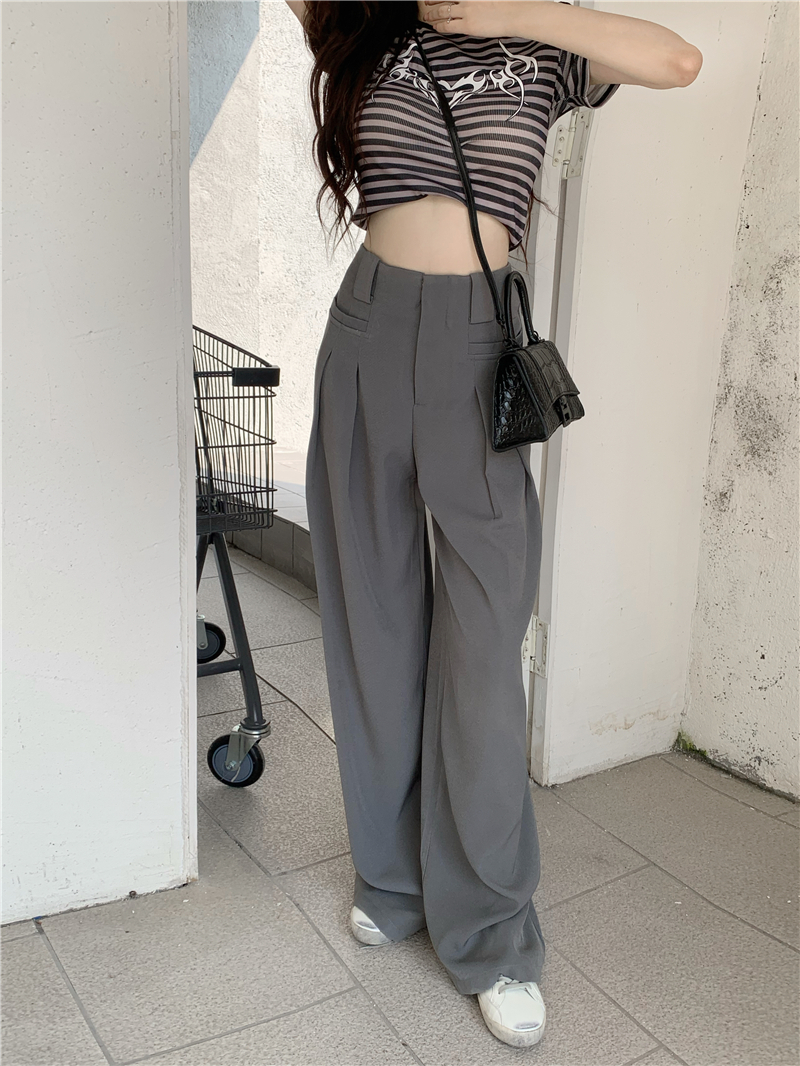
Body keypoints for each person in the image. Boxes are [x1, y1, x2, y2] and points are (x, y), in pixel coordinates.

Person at [284, 0, 702, 1048]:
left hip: (479, 347)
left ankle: (491, 931)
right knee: (374, 626)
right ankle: (392, 878)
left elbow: (678, 59)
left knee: (480, 651)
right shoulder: (370, 27)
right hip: (367, 329)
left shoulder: (547, 45)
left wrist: (515, 8)